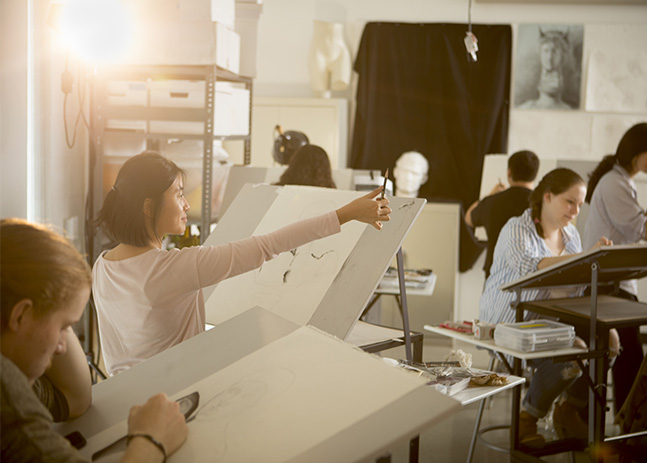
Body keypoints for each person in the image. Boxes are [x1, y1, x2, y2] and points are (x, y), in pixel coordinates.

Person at [93, 151, 391, 375]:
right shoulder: (174, 267)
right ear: (148, 206)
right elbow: (267, 246)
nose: (185, 204)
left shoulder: (102, 266)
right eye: (179, 194)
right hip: (175, 402)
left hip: (124, 402)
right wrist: (346, 214)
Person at [0, 218, 188, 463]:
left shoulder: (17, 370)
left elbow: (76, 399)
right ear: (21, 315)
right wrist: (151, 439)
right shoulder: (9, 402)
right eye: (63, 326)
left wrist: (56, 305)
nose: (62, 346)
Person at [478, 168, 617, 447]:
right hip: (508, 323)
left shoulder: (572, 236)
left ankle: (569, 408)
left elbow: (575, 285)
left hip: (552, 321)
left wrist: (597, 262)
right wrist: (587, 257)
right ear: (548, 196)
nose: (576, 211)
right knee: (574, 350)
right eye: (570, 202)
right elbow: (533, 269)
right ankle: (527, 419)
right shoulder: (516, 229)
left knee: (609, 339)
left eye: (580, 204)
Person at [583, 122, 647, 413]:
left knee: (628, 355)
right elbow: (644, 231)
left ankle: (623, 421)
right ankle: (626, 423)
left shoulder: (620, 181)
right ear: (638, 151)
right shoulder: (614, 183)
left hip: (615, 283)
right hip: (609, 285)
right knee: (629, 356)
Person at [465, 150, 540, 278]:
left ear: (509, 172)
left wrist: (490, 195)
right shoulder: (542, 204)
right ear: (535, 175)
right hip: (530, 275)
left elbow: (469, 218)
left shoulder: (492, 202)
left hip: (495, 275)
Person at [519, 29, 572, 110]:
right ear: (540, 53)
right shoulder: (526, 107)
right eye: (546, 51)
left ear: (563, 55)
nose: (549, 57)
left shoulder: (567, 109)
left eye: (555, 51)